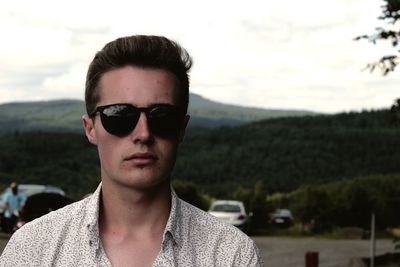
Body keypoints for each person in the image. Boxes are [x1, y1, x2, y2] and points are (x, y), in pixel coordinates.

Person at [0, 35, 264, 266]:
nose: (143, 134)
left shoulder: (231, 255)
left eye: (162, 116)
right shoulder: (31, 250)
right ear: (90, 128)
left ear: (181, 129)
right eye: (119, 116)